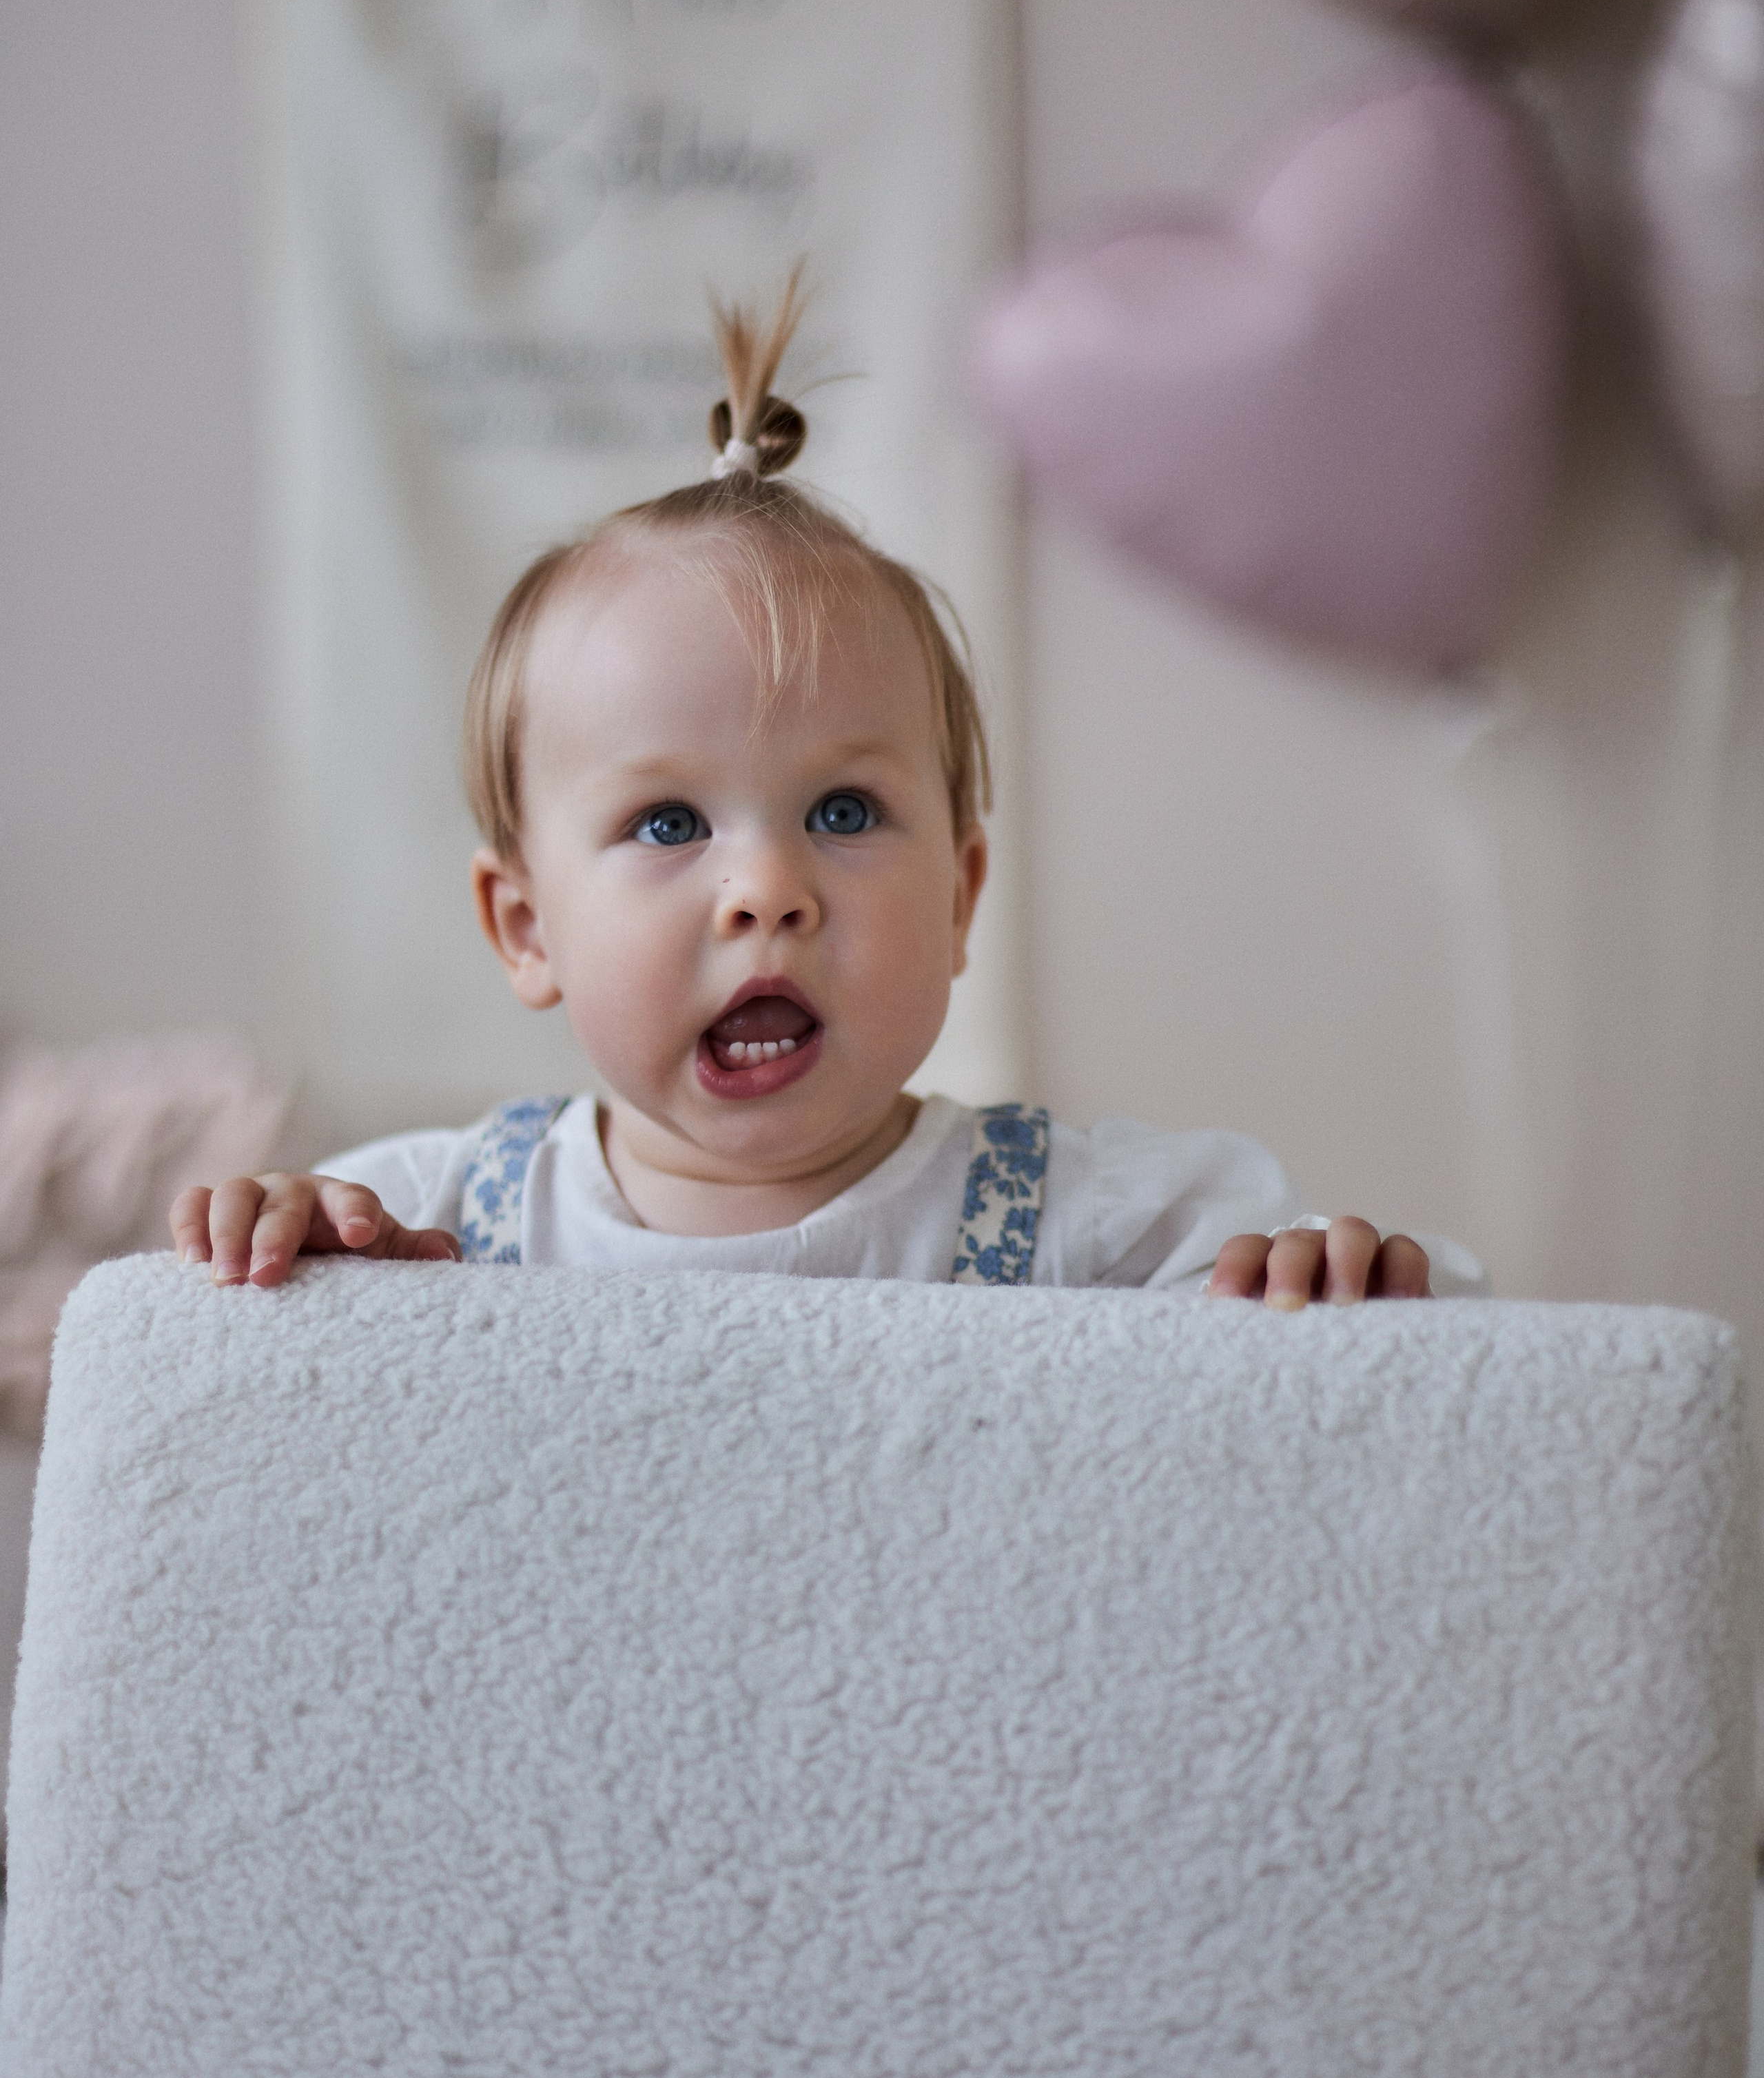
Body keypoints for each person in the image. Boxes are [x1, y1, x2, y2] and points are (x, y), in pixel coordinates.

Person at [171, 272, 1481, 1306]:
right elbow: (255, 1387)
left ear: (964, 893)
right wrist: (282, 1258)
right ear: (525, 927)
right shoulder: (436, 1223)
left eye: (843, 814)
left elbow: (1445, 1336)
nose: (768, 893)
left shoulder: (1087, 1226)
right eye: (668, 823)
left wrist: (1338, 1279)